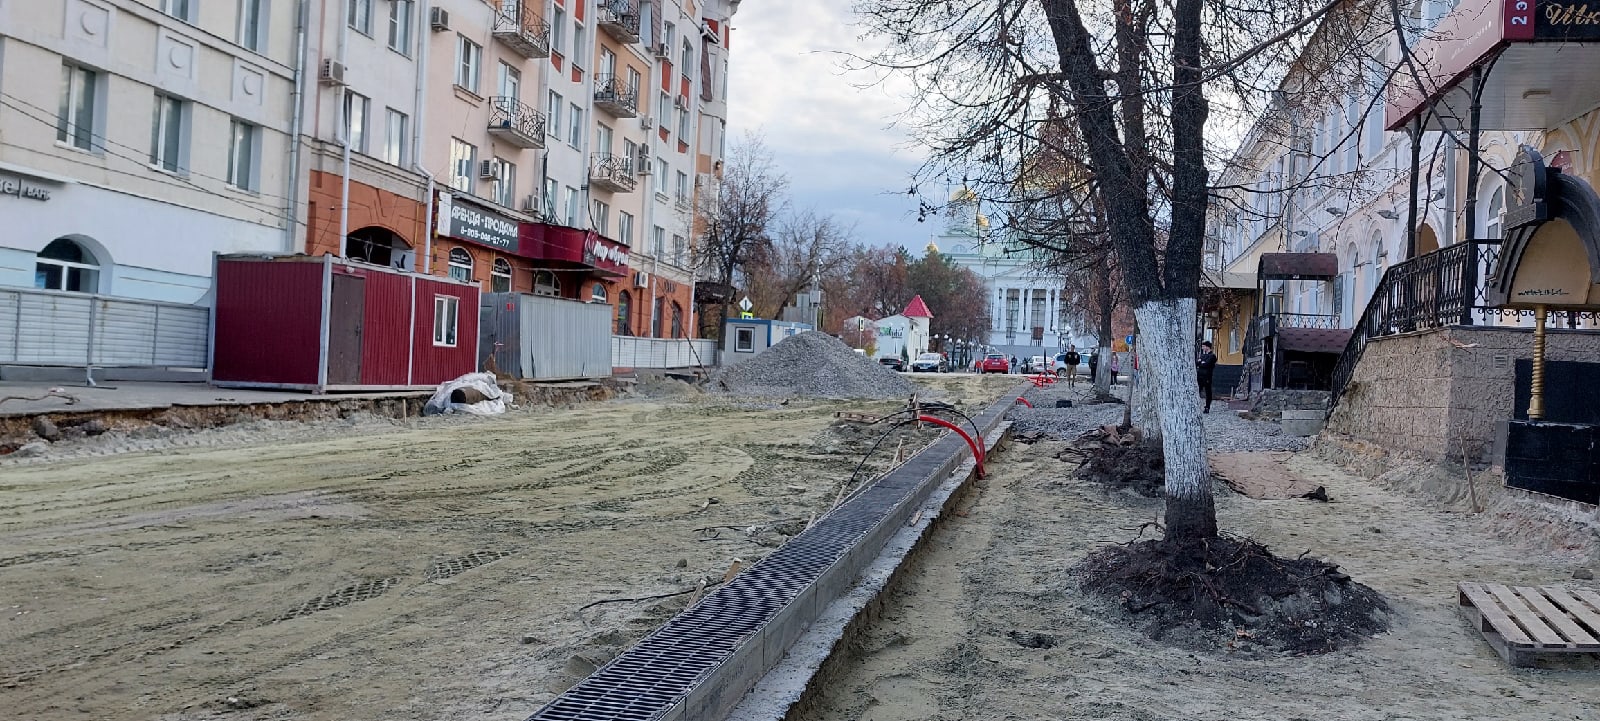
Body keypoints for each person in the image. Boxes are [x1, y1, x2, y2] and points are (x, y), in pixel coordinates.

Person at [1197, 340, 1218, 414]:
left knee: (1208, 392)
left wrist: (1202, 363)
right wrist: (1201, 362)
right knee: (1197, 391)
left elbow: (1207, 364)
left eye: (1203, 346)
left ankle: (1207, 407)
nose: (1202, 348)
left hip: (1207, 376)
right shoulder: (1203, 355)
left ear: (1207, 347)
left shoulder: (1212, 356)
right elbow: (1198, 363)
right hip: (1200, 376)